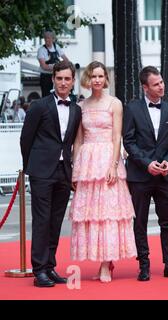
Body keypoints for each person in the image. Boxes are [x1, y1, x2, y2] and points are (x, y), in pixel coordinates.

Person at [69, 61, 137, 282]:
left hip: (108, 157)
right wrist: (75, 170)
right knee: (93, 215)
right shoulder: (81, 106)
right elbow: (78, 140)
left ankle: (106, 264)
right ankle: (101, 259)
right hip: (88, 162)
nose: (97, 80)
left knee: (109, 213)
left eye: (101, 76)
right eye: (94, 76)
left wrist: (113, 165)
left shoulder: (114, 104)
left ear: (106, 79)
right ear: (88, 79)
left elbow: (117, 136)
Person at [123, 66, 168, 281]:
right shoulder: (132, 109)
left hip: (164, 175)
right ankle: (144, 264)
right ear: (145, 87)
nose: (161, 86)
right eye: (156, 84)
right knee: (140, 221)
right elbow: (129, 142)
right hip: (140, 175)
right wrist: (146, 163)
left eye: (161, 82)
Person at [20, 61, 82, 287]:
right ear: (53, 79)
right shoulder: (39, 106)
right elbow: (25, 139)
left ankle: (50, 266)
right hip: (41, 172)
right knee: (42, 220)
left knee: (56, 221)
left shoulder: (76, 109)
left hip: (63, 172)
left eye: (67, 79)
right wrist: (31, 168)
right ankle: (39, 271)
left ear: (73, 81)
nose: (63, 83)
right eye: (59, 78)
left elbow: (71, 141)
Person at [37, 30, 70, 97]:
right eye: (45, 38)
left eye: (49, 38)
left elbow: (65, 59)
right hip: (46, 77)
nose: (47, 39)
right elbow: (44, 66)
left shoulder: (56, 47)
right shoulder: (41, 50)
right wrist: (57, 67)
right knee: (46, 97)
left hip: (56, 76)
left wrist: (69, 66)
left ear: (53, 39)